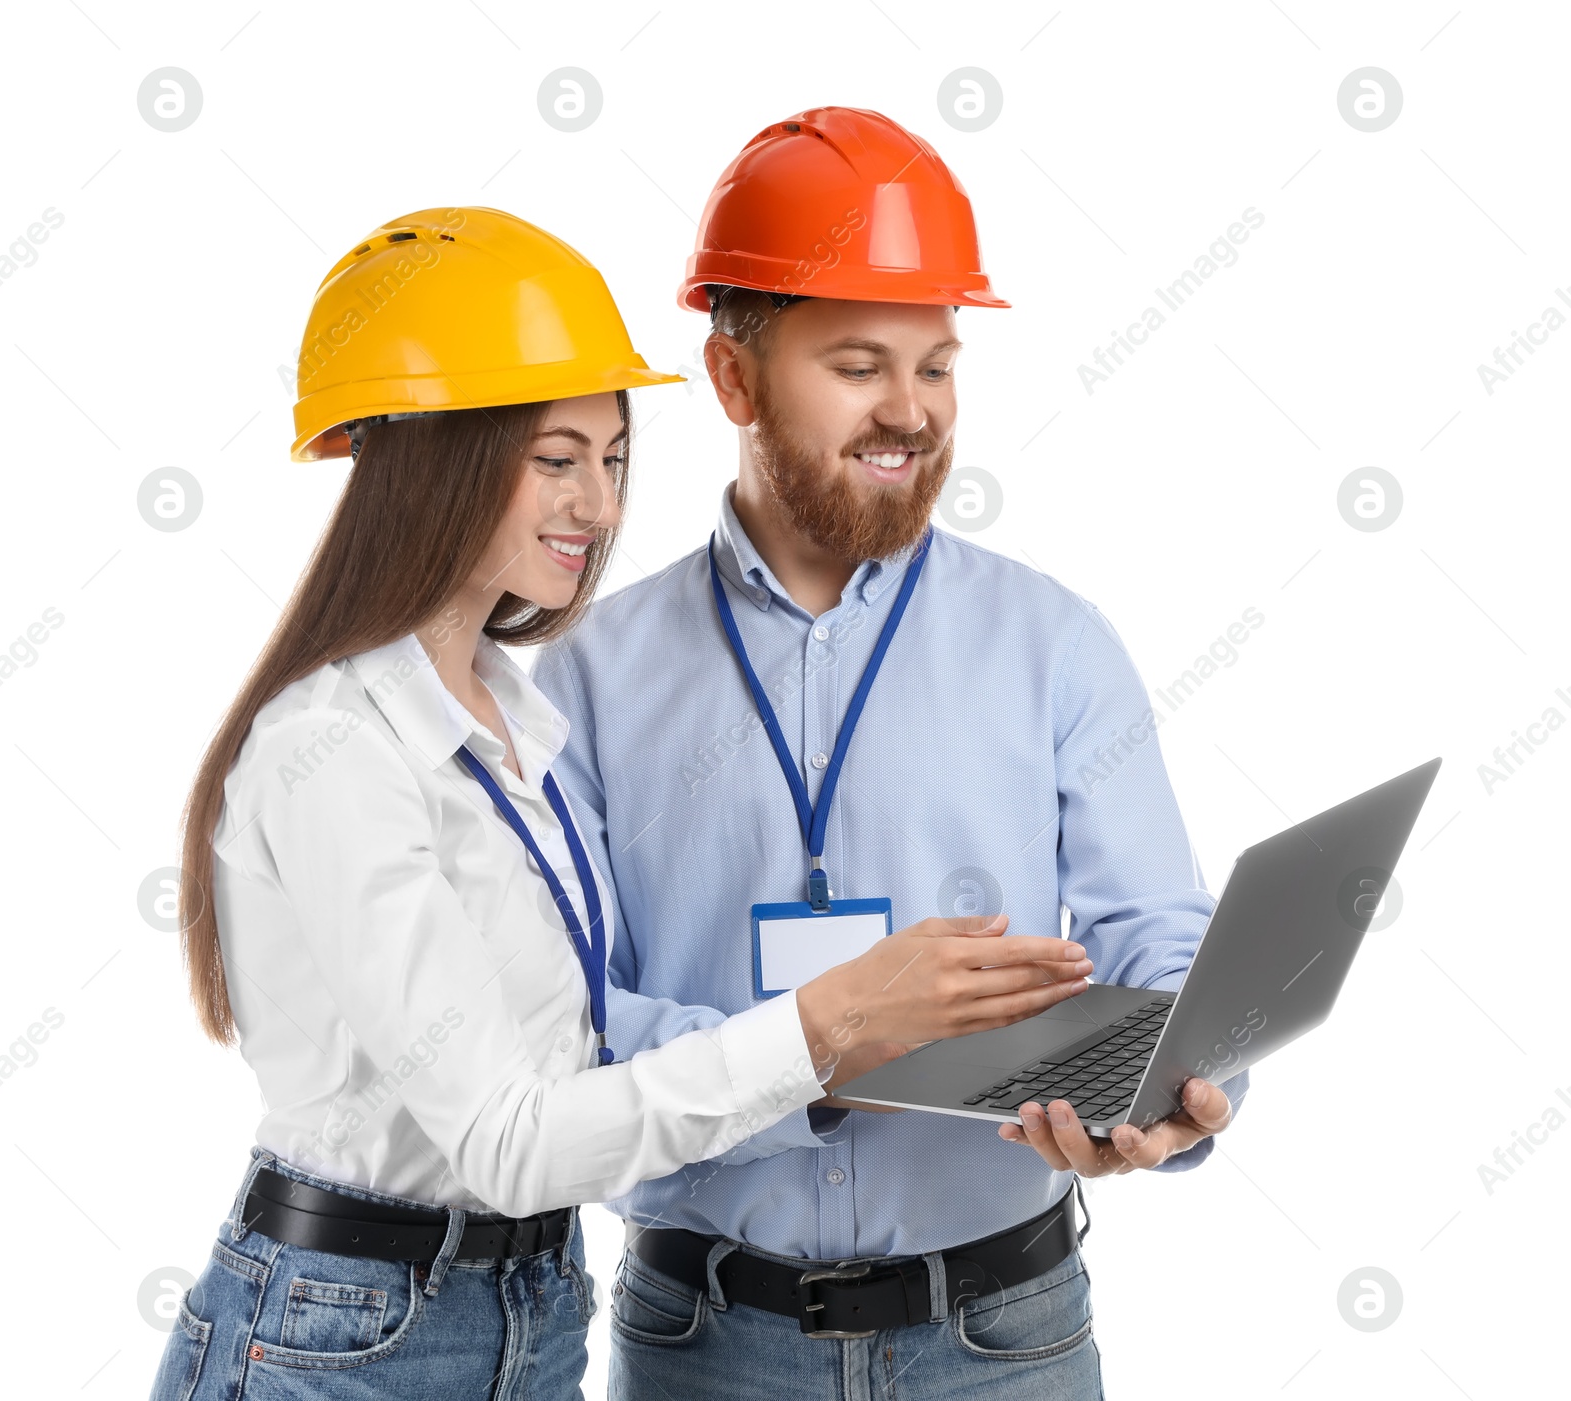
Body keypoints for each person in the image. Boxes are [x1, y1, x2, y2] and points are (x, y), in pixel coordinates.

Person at [147, 205, 1098, 1401]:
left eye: (612, 459)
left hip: (533, 1309)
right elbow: (507, 1138)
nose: (596, 509)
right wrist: (824, 1028)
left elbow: (580, 1043)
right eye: (555, 460)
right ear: (434, 457)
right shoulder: (334, 749)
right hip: (348, 1331)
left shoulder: (512, 720)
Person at [532, 108, 1249, 1398]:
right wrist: (823, 1047)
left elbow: (1157, 933)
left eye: (936, 365)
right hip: (703, 1348)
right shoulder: (588, 677)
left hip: (1003, 1342)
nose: (909, 413)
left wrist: (1176, 1083)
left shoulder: (1053, 644)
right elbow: (562, 1031)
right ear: (735, 381)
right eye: (859, 365)